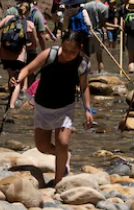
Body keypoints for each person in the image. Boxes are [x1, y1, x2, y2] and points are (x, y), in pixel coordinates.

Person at [12, 31, 92, 185]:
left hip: (65, 106)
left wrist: (87, 110)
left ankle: (58, 181)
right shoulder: (50, 55)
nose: (68, 54)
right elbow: (28, 69)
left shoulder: (81, 64)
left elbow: (84, 87)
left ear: (80, 48)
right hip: (43, 104)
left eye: (73, 52)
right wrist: (18, 79)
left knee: (62, 142)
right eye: (66, 50)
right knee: (42, 146)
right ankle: (64, 156)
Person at [0, 2, 39, 108]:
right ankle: (12, 105)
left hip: (4, 53)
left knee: (10, 77)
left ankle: (10, 96)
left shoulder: (8, 18)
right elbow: (34, 45)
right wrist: (26, 45)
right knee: (17, 80)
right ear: (28, 12)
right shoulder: (30, 25)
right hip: (19, 56)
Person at [83, 0, 109, 73]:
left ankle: (86, 76)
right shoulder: (104, 7)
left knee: (88, 56)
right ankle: (101, 74)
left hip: (88, 33)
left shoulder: (86, 6)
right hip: (98, 33)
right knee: (99, 58)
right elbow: (103, 23)